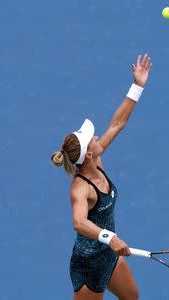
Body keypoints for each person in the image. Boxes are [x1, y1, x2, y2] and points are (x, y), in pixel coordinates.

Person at [51, 54, 153, 300]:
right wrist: (110, 237)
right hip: (89, 266)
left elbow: (117, 123)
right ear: (87, 155)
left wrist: (137, 86)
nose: (97, 138)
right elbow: (79, 222)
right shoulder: (80, 189)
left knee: (132, 296)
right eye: (92, 139)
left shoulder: (95, 159)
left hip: (109, 255)